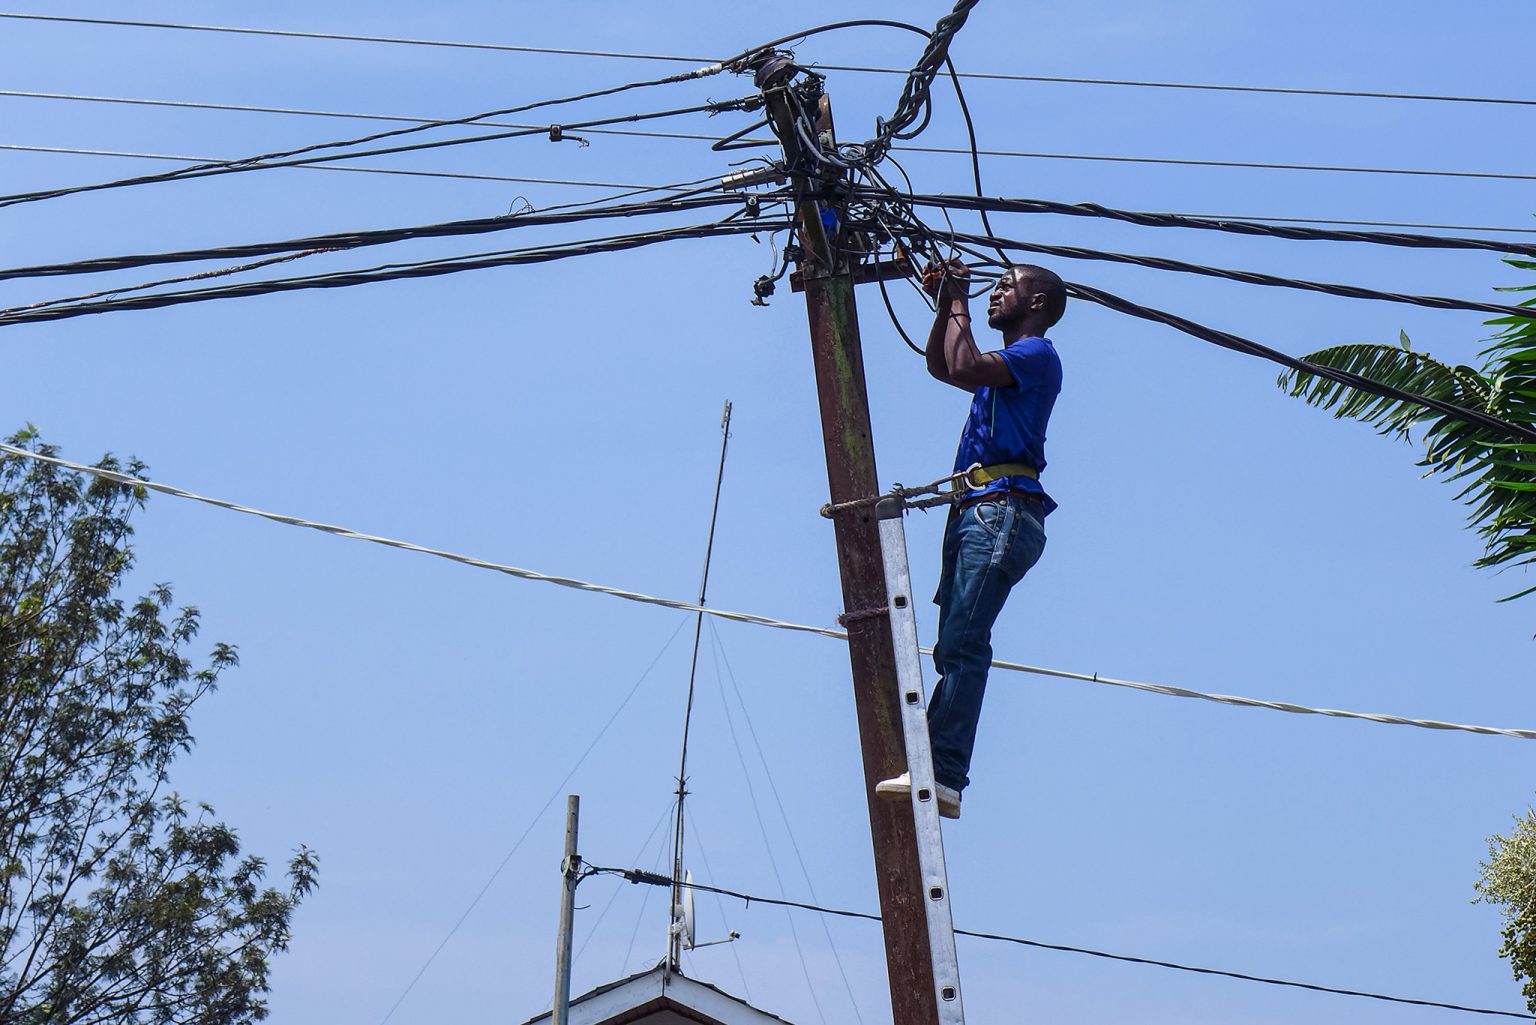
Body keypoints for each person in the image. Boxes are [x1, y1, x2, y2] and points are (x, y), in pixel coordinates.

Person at [876, 258, 1065, 820]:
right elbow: (944, 366)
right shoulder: (1005, 365)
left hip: (1001, 511)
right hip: (979, 512)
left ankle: (943, 772)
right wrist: (947, 305)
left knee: (963, 644)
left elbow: (962, 363)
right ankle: (935, 766)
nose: (993, 294)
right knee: (955, 642)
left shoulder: (1036, 353)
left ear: (1036, 303)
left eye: (1006, 286)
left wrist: (956, 297)